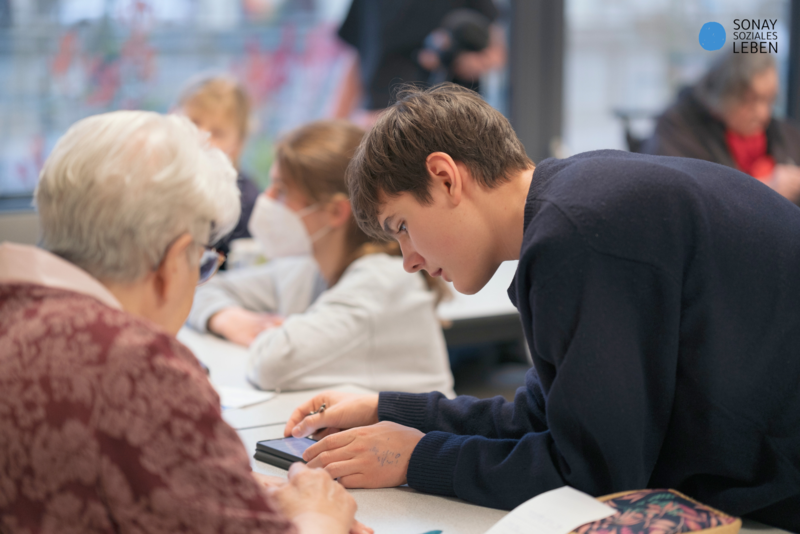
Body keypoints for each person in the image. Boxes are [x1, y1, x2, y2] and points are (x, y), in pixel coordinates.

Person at [280, 84, 800, 532]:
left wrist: (416, 458)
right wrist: (388, 410)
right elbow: (541, 418)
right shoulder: (576, 204)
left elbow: (590, 476)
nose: (409, 260)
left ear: (444, 177)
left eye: (401, 227)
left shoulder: (578, 234)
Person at [0, 111, 370, 534]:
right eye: (202, 262)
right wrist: (319, 515)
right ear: (175, 261)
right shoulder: (138, 366)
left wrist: (203, 483)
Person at [187, 120, 455, 396]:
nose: (265, 200)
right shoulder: (308, 266)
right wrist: (229, 318)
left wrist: (274, 332)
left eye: (281, 191)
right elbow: (201, 288)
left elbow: (273, 365)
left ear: (335, 212)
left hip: (420, 436)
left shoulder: (382, 280)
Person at [643, 53, 800, 204]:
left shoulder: (781, 132)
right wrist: (764, 192)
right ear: (724, 93)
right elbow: (681, 199)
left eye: (770, 100)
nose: (763, 114)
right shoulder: (678, 130)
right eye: (750, 100)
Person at [333, 0, 506, 126]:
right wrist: (337, 125)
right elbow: (359, 58)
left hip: (448, 122)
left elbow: (495, 53)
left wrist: (464, 61)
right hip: (380, 121)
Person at [177, 74, 260, 261]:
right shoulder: (155, 178)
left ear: (238, 144)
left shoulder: (246, 204)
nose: (201, 137)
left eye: (217, 133)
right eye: (193, 122)